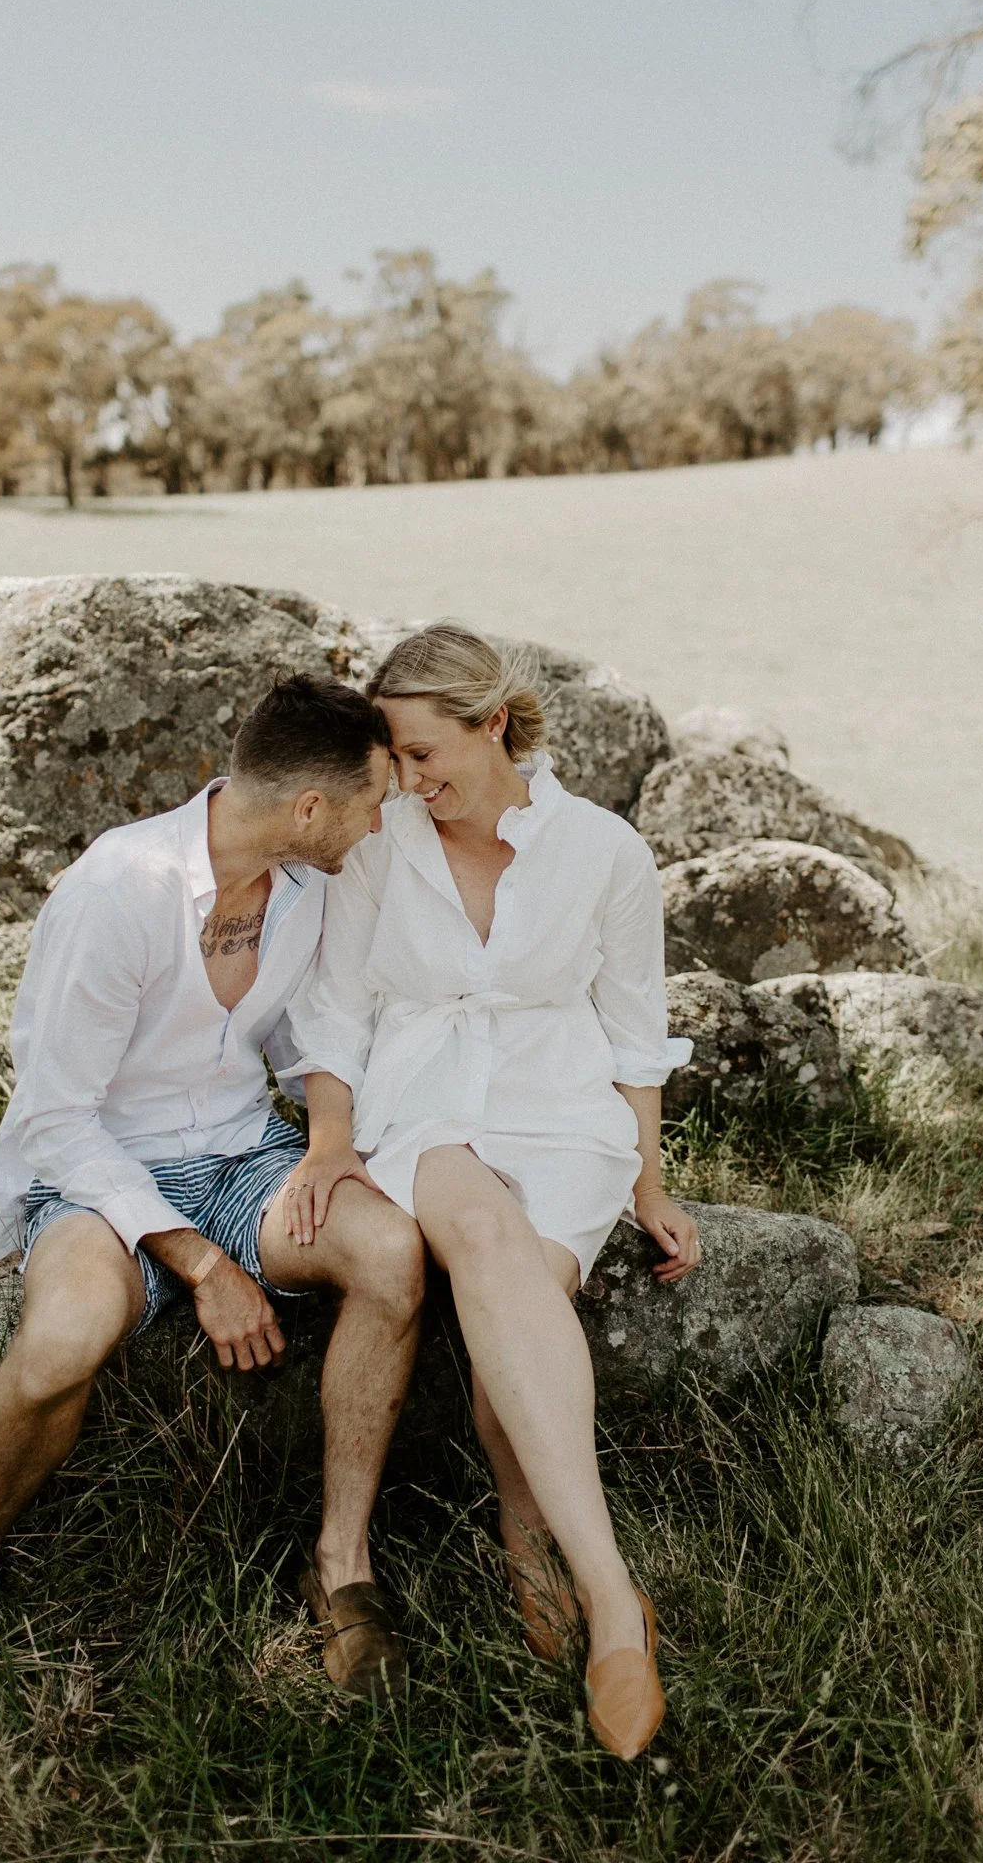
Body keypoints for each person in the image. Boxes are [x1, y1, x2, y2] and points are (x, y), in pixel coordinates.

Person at [0, 673, 424, 1703]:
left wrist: (326, 1143)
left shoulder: (310, 886)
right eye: (372, 801)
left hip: (245, 1154)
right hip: (100, 1175)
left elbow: (307, 1034)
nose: (379, 822)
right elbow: (56, 1118)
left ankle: (340, 1563)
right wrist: (201, 1264)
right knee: (64, 1338)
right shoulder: (118, 889)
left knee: (390, 1251)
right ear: (311, 807)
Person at [285, 624, 699, 1761]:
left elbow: (634, 1031)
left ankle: (526, 1538)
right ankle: (611, 1595)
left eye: (424, 755)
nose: (408, 783)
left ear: (495, 725)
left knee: (513, 1322)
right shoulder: (380, 843)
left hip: (563, 1113)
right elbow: (335, 1010)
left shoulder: (604, 849)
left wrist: (649, 1180)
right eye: (395, 762)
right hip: (420, 1106)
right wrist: (328, 1143)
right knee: (475, 1225)